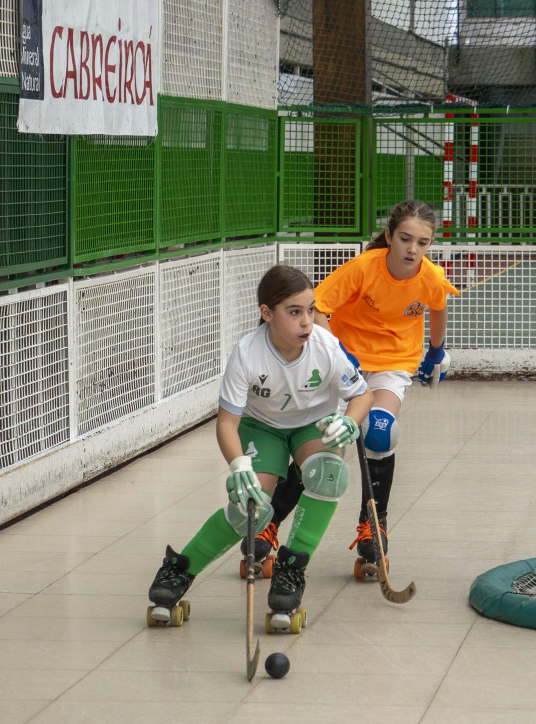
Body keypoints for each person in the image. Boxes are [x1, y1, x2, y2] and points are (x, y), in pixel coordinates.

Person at [240, 199, 460, 571]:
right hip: (344, 365)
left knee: (380, 432)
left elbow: (438, 305)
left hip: (392, 364)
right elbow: (318, 307)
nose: (413, 249)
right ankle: (268, 526)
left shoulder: (431, 277)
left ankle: (373, 526)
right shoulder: (364, 268)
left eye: (423, 243)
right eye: (405, 239)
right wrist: (339, 352)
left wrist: (436, 351)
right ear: (389, 236)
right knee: (324, 447)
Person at [147, 264, 372, 624]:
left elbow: (362, 394)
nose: (306, 321)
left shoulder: (325, 346)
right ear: (267, 313)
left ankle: (290, 569)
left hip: (313, 426)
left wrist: (350, 420)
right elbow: (227, 423)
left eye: (311, 310)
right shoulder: (247, 352)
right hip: (262, 427)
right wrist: (238, 466)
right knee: (251, 505)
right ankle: (179, 568)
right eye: (294, 312)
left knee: (328, 474)